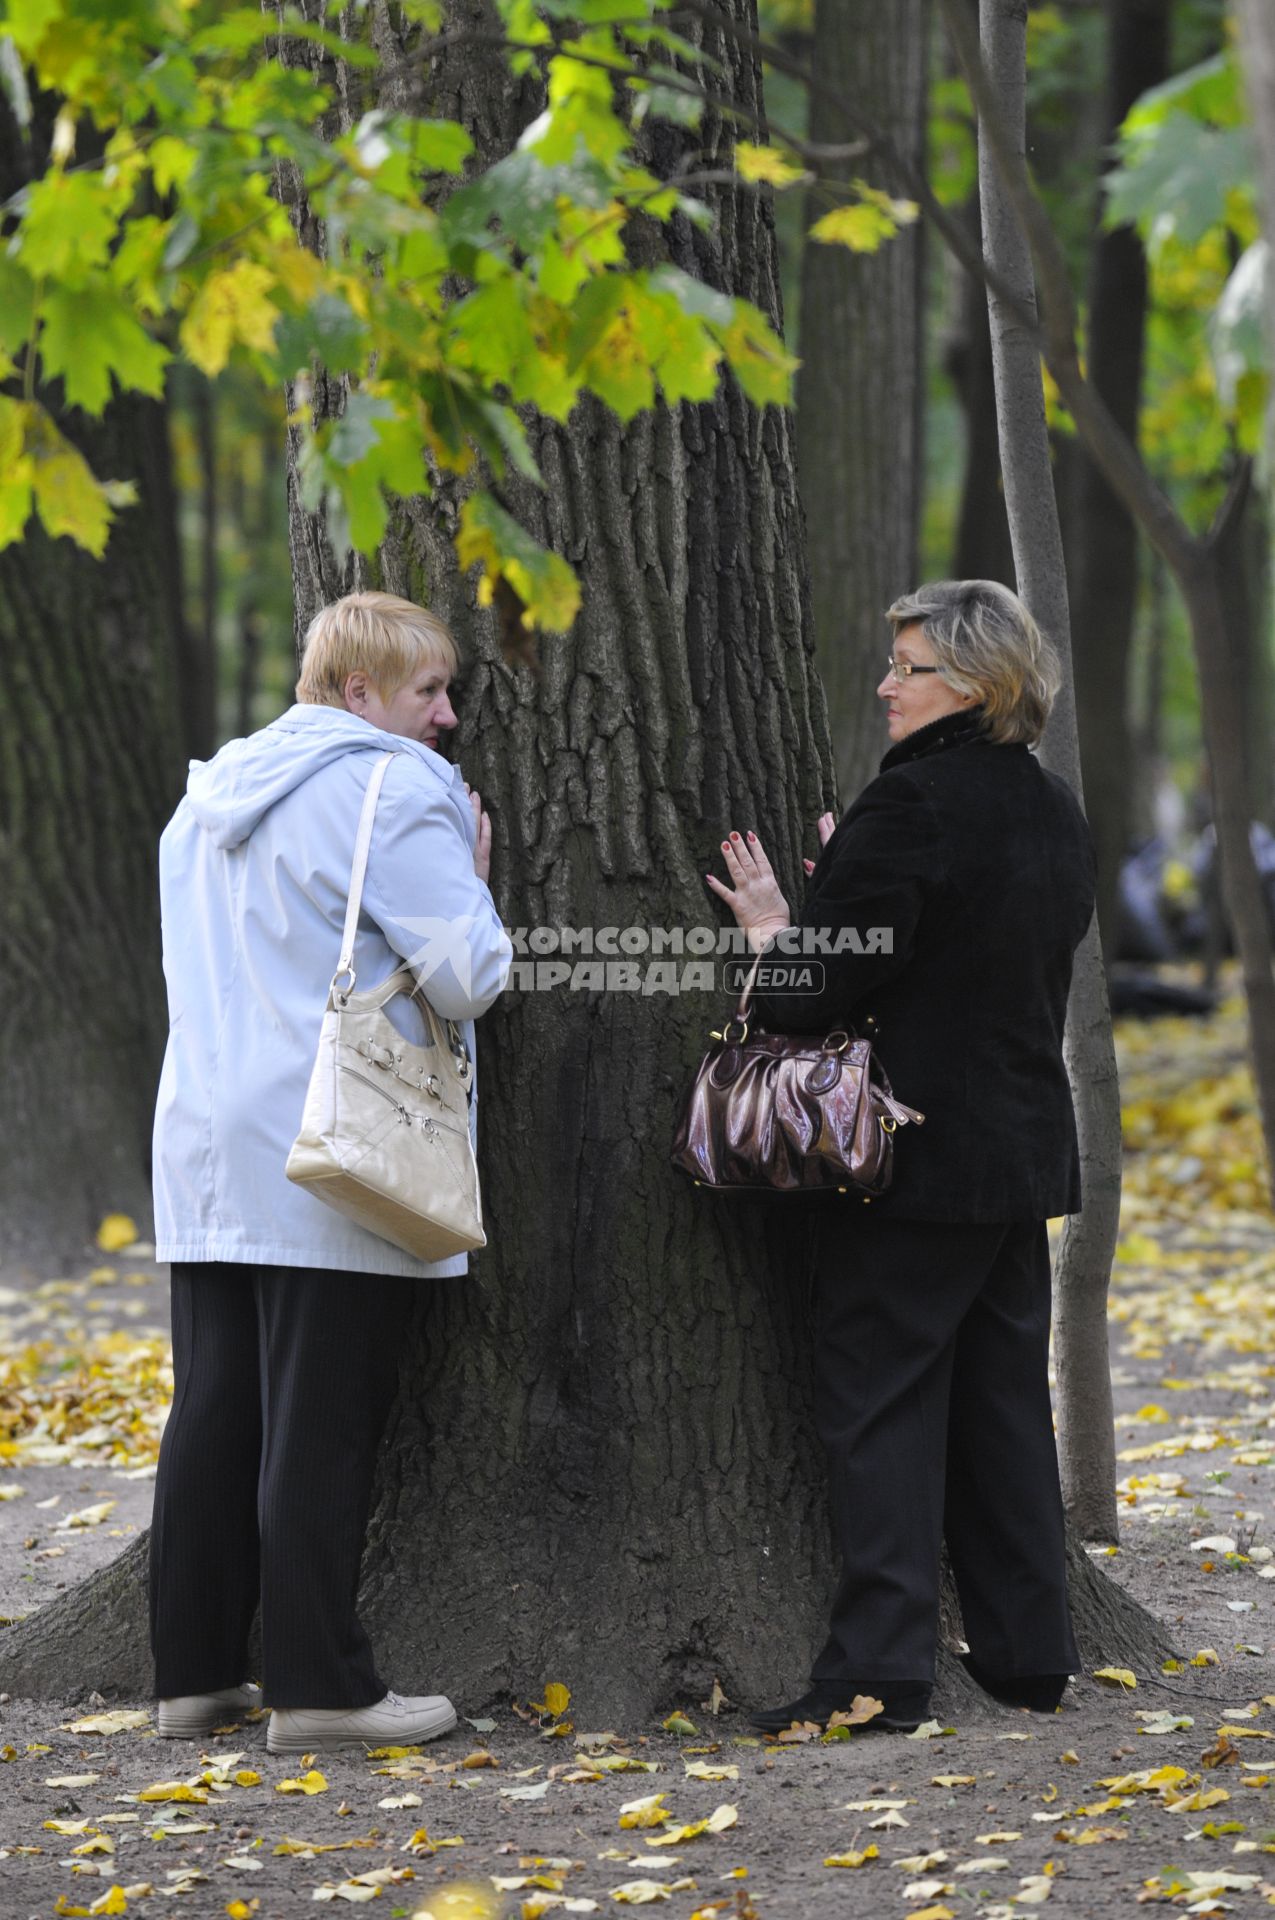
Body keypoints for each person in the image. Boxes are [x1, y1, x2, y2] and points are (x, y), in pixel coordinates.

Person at [705, 579, 1095, 1733]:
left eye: (909, 667)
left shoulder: (915, 805)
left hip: (909, 1160)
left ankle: (878, 1677)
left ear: (973, 683)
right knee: (1002, 1406)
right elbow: (961, 952)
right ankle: (1031, 1656)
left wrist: (779, 929)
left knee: (879, 1403)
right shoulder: (1053, 807)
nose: (887, 684)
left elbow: (810, 990)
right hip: (1017, 1154)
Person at [149, 591, 511, 1752]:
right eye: (428, 691)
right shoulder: (396, 788)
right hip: (337, 1145)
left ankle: (194, 1676)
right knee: (322, 1423)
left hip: (205, 1137)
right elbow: (470, 977)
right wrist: (473, 862)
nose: (449, 715)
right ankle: (320, 1688)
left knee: (214, 1413)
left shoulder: (204, 801)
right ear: (357, 692)